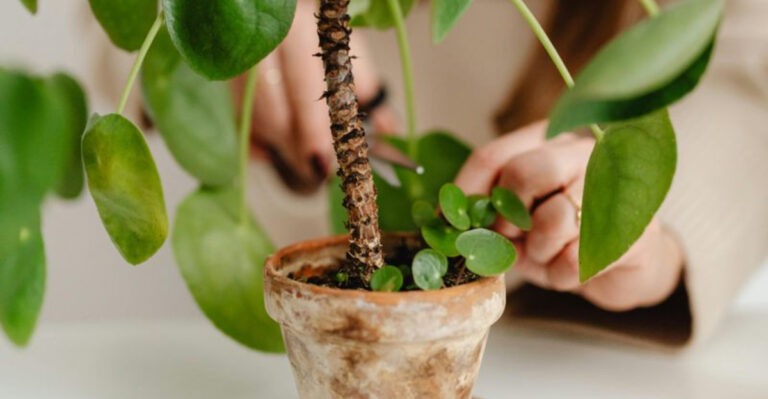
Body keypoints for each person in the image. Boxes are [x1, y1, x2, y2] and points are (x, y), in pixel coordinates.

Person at [247, 0, 768, 348]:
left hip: (539, 328)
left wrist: (650, 221)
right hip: (268, 295)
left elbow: (748, 72)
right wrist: (243, 23)